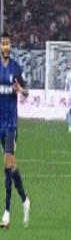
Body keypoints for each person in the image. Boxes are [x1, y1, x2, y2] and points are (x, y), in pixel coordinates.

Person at [0, 32, 31, 229]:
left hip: (11, 124)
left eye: (7, 44)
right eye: (3, 44)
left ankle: (7, 212)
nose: (5, 47)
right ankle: (25, 200)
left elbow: (27, 92)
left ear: (10, 46)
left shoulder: (15, 68)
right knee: (12, 166)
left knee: (7, 163)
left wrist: (21, 90)